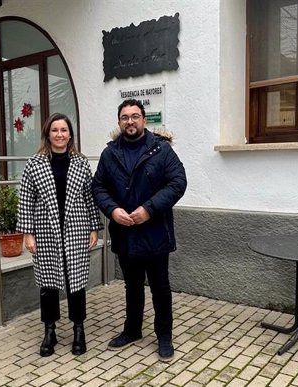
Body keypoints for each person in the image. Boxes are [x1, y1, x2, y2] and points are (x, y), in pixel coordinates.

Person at [92, 99, 187, 362]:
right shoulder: (110, 154)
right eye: (125, 117)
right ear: (119, 122)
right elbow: (98, 187)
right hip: (125, 233)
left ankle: (164, 336)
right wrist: (112, 210)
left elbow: (178, 182)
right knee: (132, 286)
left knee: (160, 287)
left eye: (135, 116)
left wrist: (149, 209)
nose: (130, 121)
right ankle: (132, 330)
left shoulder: (161, 150)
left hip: (155, 231)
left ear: (144, 120)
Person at [17, 112, 102, 357]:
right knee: (48, 283)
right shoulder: (35, 163)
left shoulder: (81, 162)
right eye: (55, 130)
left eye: (64, 130)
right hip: (45, 229)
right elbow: (26, 199)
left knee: (76, 282)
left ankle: (78, 328)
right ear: (47, 134)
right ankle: (50, 330)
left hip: (76, 227)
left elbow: (89, 197)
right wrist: (28, 234)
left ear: (70, 135)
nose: (59, 135)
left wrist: (93, 227)